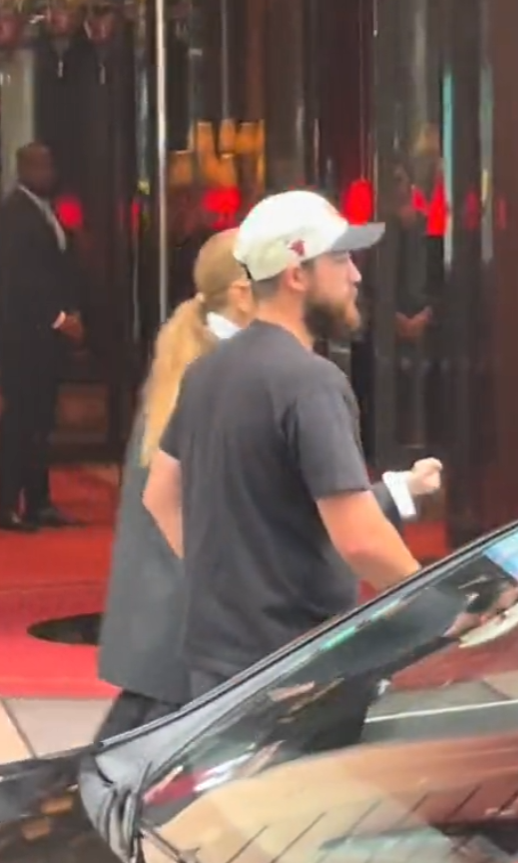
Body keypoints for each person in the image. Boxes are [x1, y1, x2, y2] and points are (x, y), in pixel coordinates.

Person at [144, 190, 442, 703]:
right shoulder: (310, 382)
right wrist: (444, 608)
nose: (356, 275)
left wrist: (227, 588)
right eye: (342, 258)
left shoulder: (206, 372)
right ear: (296, 274)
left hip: (215, 661)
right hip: (296, 668)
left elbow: (160, 495)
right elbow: (361, 540)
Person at [95, 229, 254, 740]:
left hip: (167, 609)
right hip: (194, 616)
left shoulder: (189, 356)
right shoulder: (226, 373)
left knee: (129, 750)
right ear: (242, 291)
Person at [0, 143, 84, 532]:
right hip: (24, 338)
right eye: (42, 164)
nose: (49, 171)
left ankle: (37, 501)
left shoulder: (43, 208)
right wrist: (58, 317)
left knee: (40, 422)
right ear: (25, 168)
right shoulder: (15, 213)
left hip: (43, 339)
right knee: (21, 423)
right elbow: (20, 280)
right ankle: (7, 504)